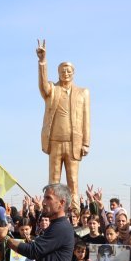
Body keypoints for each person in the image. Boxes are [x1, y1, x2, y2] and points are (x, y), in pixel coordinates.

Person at [36, 40, 90, 203]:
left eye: (68, 71)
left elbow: (86, 119)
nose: (65, 73)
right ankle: (52, 210)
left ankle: (75, 213)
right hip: (55, 141)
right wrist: (42, 62)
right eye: (62, 71)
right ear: (58, 72)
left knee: (73, 181)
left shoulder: (83, 92)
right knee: (54, 181)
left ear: (73, 73)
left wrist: (86, 143)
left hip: (74, 142)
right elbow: (43, 87)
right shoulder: (52, 89)